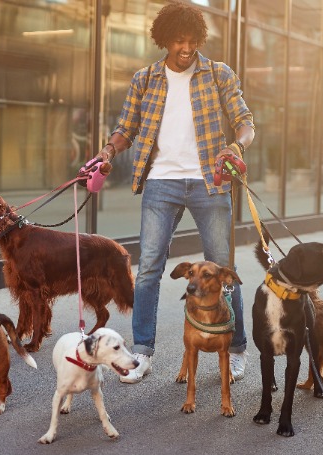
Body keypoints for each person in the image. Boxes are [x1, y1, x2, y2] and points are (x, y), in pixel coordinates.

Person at [90, 2, 256, 383]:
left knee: (222, 269)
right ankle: (143, 353)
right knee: (148, 268)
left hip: (209, 182)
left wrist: (237, 146)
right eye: (179, 40)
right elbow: (126, 128)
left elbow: (244, 122)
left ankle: (236, 347)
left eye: (192, 40)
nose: (186, 48)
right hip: (160, 182)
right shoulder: (145, 79)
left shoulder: (218, 74)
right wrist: (108, 151)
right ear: (164, 40)